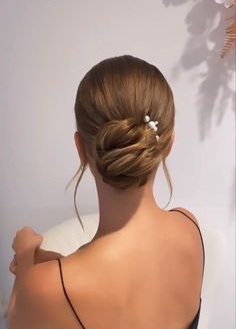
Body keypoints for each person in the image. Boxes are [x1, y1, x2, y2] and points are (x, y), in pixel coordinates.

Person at [7, 55, 205, 328]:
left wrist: (26, 254)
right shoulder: (190, 228)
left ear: (81, 149)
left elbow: (16, 317)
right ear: (168, 145)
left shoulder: (48, 290)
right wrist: (57, 268)